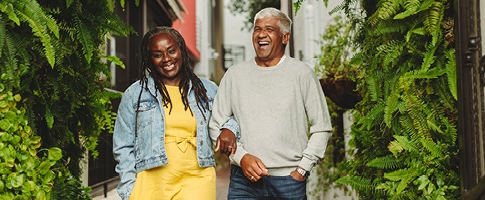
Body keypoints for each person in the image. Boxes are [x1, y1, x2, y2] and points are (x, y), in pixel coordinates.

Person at [209, 7, 332, 199]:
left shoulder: (302, 74)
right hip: (243, 182)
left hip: (289, 182)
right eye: (257, 29)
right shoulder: (235, 74)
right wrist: (242, 158)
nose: (261, 34)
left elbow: (322, 127)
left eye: (269, 29)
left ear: (285, 37)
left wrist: (302, 170)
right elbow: (215, 124)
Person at [113, 26, 238, 200]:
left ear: (181, 51)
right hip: (152, 181)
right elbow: (123, 145)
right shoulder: (135, 94)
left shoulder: (207, 90)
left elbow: (230, 118)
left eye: (171, 51)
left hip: (197, 177)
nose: (166, 59)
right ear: (149, 59)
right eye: (157, 54)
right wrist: (129, 189)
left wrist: (229, 129)